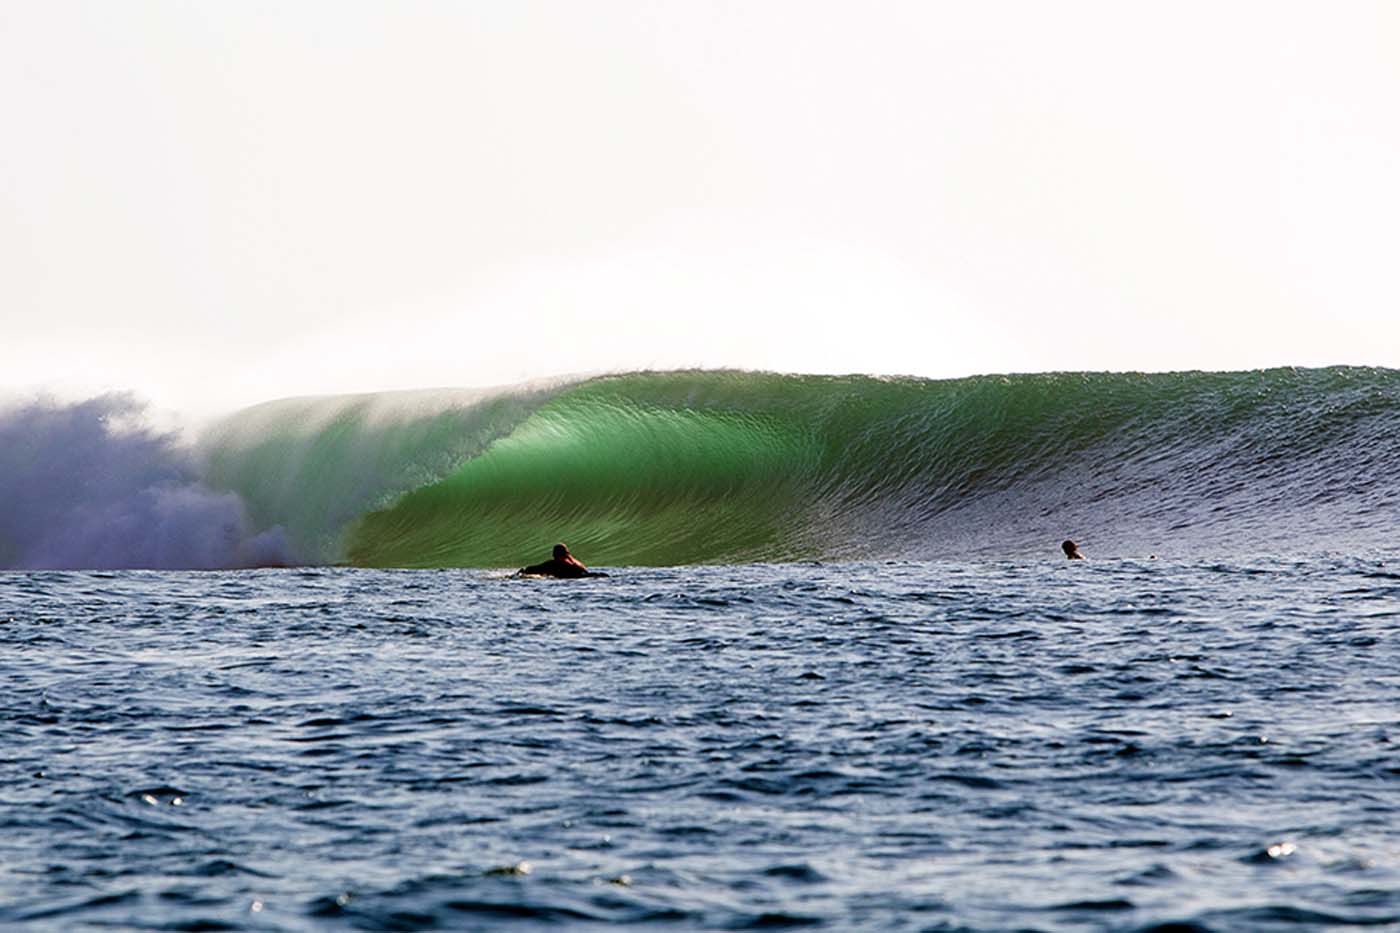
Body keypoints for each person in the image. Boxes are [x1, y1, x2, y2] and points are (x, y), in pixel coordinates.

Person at [518, 543, 605, 578]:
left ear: (555, 554)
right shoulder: (577, 563)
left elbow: (534, 569)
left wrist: (522, 572)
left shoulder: (555, 563)